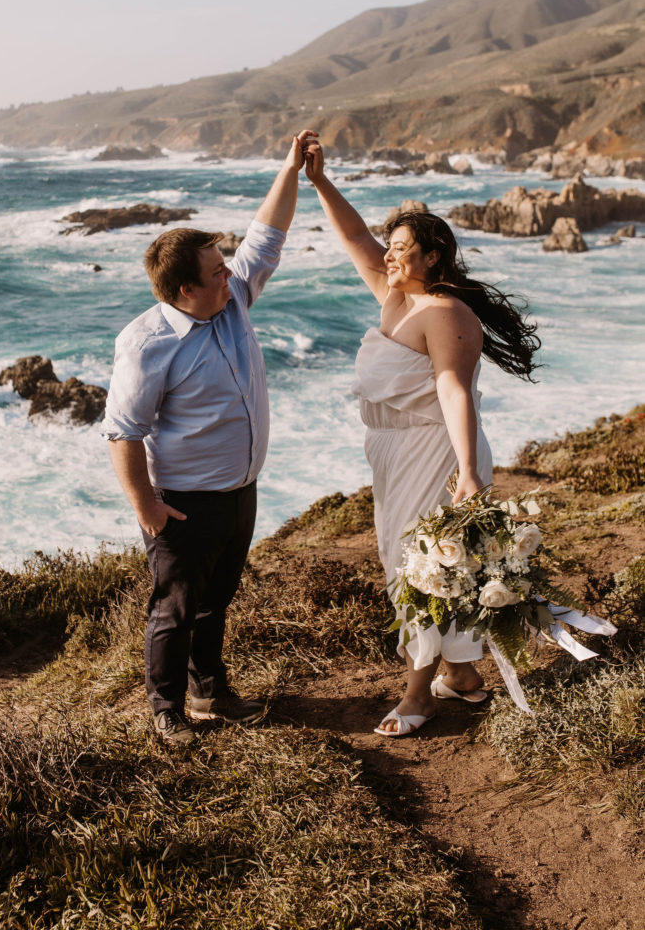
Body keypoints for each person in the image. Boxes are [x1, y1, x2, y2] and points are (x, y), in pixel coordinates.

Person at [304, 140, 540, 737]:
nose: (389, 255)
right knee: (404, 560)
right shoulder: (395, 296)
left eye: (403, 249)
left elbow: (454, 391)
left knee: (423, 568)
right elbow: (358, 239)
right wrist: (321, 182)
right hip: (389, 450)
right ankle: (460, 676)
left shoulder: (446, 314)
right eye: (392, 246)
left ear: (433, 258)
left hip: (433, 450)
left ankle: (419, 693)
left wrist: (468, 471)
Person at [102, 131, 316, 745]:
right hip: (184, 499)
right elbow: (123, 431)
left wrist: (288, 168)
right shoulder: (146, 344)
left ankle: (209, 691)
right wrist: (146, 505)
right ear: (183, 291)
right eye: (217, 272)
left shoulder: (233, 301)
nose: (230, 274)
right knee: (172, 609)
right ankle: (166, 710)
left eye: (226, 267)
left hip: (239, 488)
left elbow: (266, 234)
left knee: (215, 599)